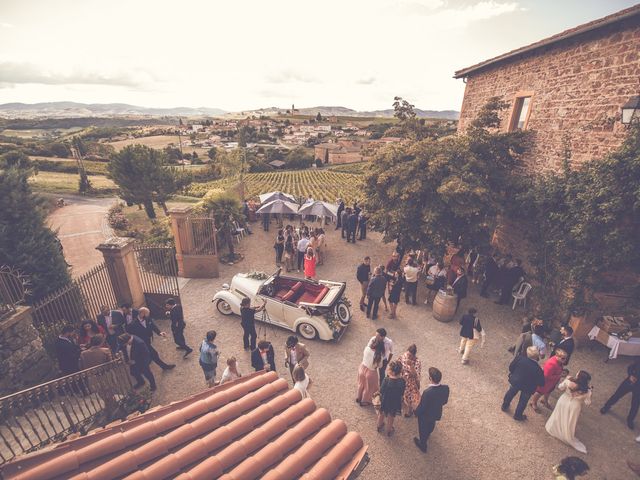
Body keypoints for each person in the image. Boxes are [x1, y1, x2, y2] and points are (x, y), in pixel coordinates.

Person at [545, 371, 592, 453]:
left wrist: (565, 380)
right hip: (575, 406)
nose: (576, 373)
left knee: (559, 415)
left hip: (563, 401)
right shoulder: (587, 391)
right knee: (570, 421)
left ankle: (554, 429)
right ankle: (566, 434)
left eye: (578, 373)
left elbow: (560, 387)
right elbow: (588, 403)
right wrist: (589, 392)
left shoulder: (568, 382)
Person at [501, 346, 545, 421]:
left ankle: (504, 406)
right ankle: (517, 415)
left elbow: (511, 367)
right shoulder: (538, 369)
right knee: (523, 401)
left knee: (510, 393)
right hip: (528, 387)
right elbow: (541, 382)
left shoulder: (520, 358)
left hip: (516, 381)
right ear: (537, 356)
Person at [414, 367, 449, 453]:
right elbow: (445, 401)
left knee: (422, 429)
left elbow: (422, 407)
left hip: (425, 416)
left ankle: (423, 445)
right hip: (436, 413)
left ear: (430, 378)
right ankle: (428, 433)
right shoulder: (446, 388)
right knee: (431, 424)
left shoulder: (427, 392)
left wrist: (416, 412)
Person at [600, 358, 640, 429]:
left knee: (635, 404)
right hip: (629, 382)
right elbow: (630, 367)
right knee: (617, 395)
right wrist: (631, 375)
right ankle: (606, 406)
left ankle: (630, 420)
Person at [376, 360, 405, 437]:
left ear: (392, 372)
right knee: (391, 416)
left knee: (381, 413)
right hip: (394, 402)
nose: (387, 370)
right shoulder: (402, 381)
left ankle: (379, 425)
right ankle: (389, 430)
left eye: (389, 369)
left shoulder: (386, 380)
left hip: (385, 400)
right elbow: (402, 393)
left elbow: (381, 391)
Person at [356, 338, 384, 406]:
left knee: (361, 383)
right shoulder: (379, 356)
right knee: (369, 388)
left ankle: (358, 397)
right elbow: (380, 366)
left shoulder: (367, 349)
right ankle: (364, 401)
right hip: (371, 372)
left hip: (362, 368)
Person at [400, 344, 421, 417]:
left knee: (411, 398)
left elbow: (416, 375)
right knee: (403, 395)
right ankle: (404, 406)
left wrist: (411, 366)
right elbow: (399, 362)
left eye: (410, 355)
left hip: (411, 383)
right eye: (408, 354)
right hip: (403, 379)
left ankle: (410, 411)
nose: (408, 357)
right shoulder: (404, 356)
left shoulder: (417, 362)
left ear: (414, 355)